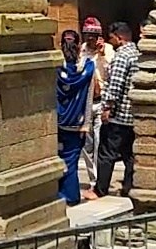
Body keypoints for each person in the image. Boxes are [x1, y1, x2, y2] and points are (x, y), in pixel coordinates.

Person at [83, 21, 139, 200]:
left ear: (119, 37)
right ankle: (128, 186)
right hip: (131, 113)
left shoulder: (122, 56)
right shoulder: (136, 52)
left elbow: (115, 84)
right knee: (128, 153)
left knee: (106, 152)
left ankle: (100, 189)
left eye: (112, 37)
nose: (110, 40)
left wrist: (107, 107)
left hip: (119, 114)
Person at [56, 29, 95, 205]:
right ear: (79, 46)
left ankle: (61, 194)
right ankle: (70, 196)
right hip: (77, 123)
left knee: (57, 158)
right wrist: (86, 124)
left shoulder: (55, 68)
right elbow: (89, 97)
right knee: (71, 160)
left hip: (57, 121)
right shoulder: (87, 68)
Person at [80, 17, 114, 184]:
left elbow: (111, 72)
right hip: (85, 102)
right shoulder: (82, 50)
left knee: (100, 141)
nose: (90, 39)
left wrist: (101, 55)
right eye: (87, 35)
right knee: (86, 143)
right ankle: (93, 178)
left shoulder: (108, 49)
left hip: (101, 101)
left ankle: (101, 179)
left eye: (93, 36)